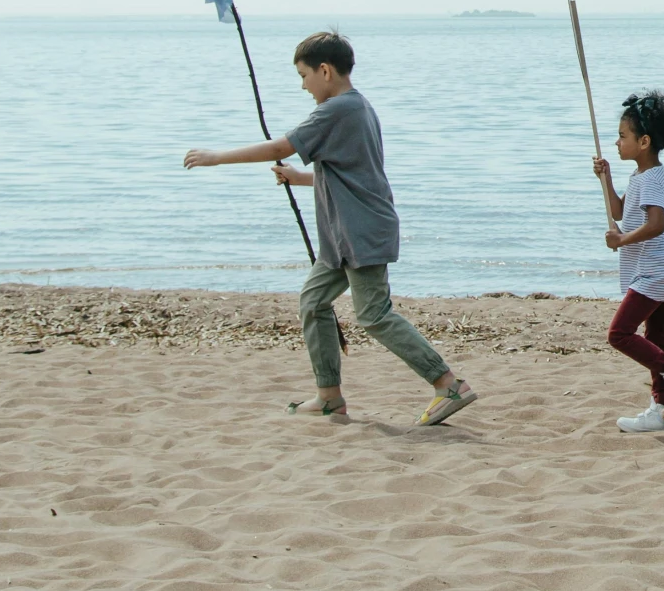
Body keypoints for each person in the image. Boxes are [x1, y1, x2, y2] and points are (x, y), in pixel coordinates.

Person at [183, 30, 476, 425]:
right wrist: (299, 179)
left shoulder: (338, 110)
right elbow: (348, 171)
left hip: (361, 231)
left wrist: (216, 157)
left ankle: (449, 383)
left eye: (304, 76)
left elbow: (277, 148)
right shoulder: (356, 108)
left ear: (324, 71)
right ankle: (329, 397)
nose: (303, 86)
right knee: (313, 301)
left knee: (373, 314)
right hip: (343, 235)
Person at [593, 91, 664, 435]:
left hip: (655, 273)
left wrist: (621, 241)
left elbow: (656, 224)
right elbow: (621, 213)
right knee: (657, 337)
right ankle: (662, 409)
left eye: (623, 136)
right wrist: (606, 180)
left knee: (619, 334)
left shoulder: (650, 179)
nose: (617, 143)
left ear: (644, 141)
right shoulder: (642, 176)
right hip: (663, 270)